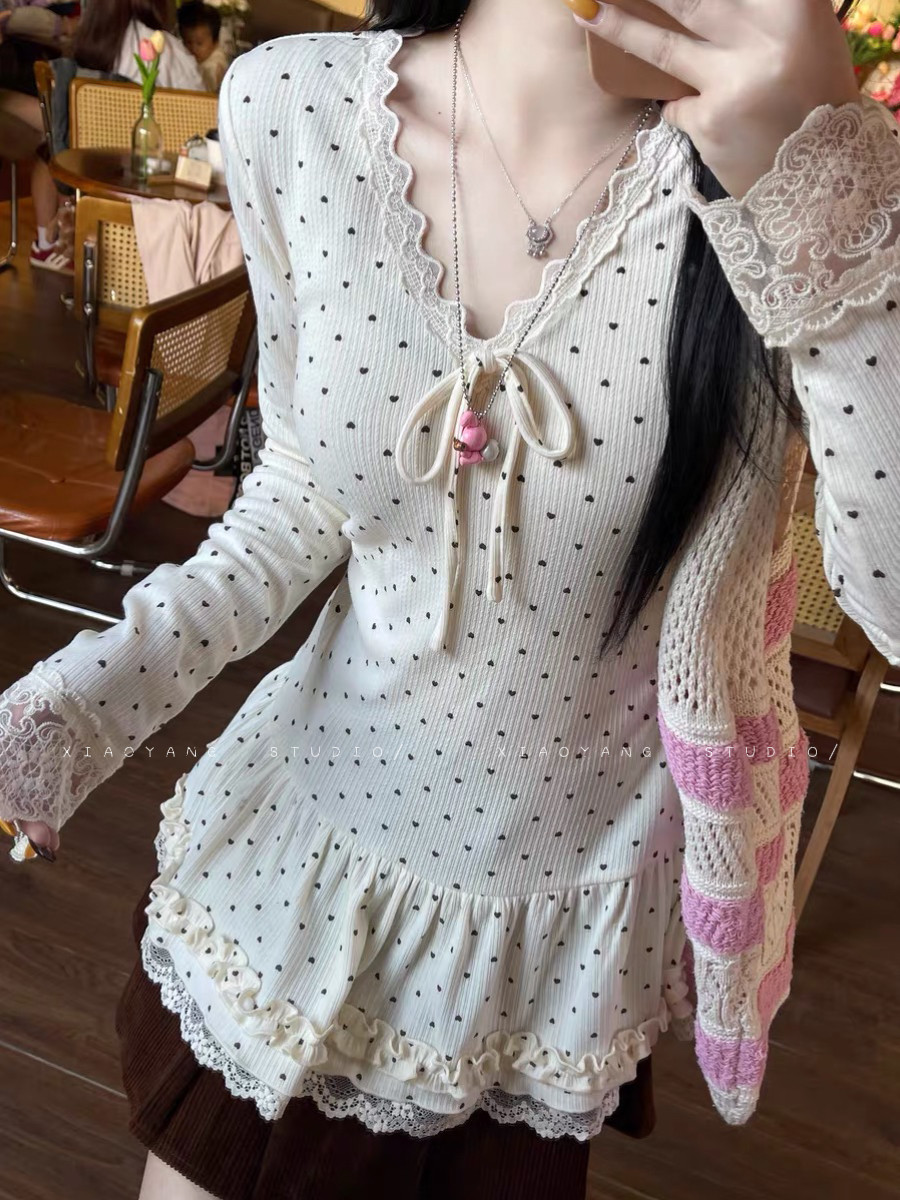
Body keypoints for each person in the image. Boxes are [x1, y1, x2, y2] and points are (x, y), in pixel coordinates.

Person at [1, 1, 899, 1197]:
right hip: (299, 888)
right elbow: (299, 496)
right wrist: (69, 710)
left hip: (546, 964)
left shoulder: (796, 177)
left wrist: (824, 197)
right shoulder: (293, 106)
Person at [0, 0, 202, 273]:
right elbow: (198, 120)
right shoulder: (165, 49)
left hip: (92, 178)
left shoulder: (87, 48)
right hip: (152, 189)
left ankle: (49, 242)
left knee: (49, 145)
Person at [177, 0, 228, 93]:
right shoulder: (183, 55)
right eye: (188, 42)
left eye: (199, 43)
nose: (193, 48)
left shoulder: (215, 66)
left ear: (215, 42)